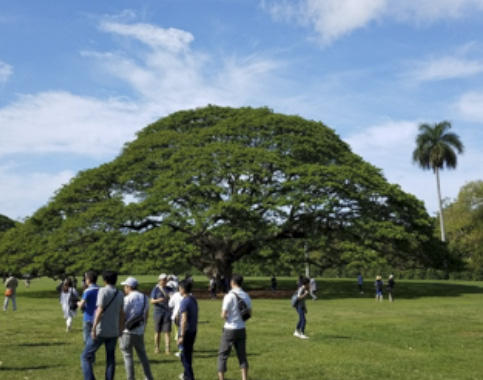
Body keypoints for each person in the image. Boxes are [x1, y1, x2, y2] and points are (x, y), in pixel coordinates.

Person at [81, 270, 124, 380]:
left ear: (104, 280)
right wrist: (120, 329)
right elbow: (121, 313)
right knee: (110, 359)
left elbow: (99, 310)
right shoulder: (120, 293)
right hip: (113, 330)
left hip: (101, 330)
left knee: (85, 357)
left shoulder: (103, 291)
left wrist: (94, 328)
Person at [218, 274, 252, 380]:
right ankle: (244, 378)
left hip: (229, 328)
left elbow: (223, 314)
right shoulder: (246, 295)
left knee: (223, 355)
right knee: (242, 355)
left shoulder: (229, 296)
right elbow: (249, 313)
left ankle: (221, 378)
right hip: (241, 328)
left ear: (232, 283)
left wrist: (228, 317)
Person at [119, 276, 154, 380]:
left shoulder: (127, 299)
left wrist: (119, 329)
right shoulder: (144, 297)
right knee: (142, 355)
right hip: (139, 330)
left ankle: (130, 378)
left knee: (127, 356)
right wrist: (144, 327)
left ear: (129, 287)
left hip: (127, 331)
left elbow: (122, 315)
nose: (124, 288)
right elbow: (146, 314)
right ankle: (148, 377)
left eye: (125, 286)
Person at [177, 279, 198, 380]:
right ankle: (186, 375)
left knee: (185, 357)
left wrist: (181, 335)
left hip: (186, 332)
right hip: (193, 331)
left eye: (179, 288)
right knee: (187, 354)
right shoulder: (193, 299)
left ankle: (189, 377)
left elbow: (184, 319)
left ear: (183, 289)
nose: (178, 290)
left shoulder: (184, 302)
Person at [150, 273, 172, 354]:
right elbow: (151, 301)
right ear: (159, 280)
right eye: (163, 280)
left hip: (167, 312)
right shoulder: (155, 289)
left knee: (167, 332)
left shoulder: (170, 289)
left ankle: (167, 349)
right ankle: (157, 348)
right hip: (158, 312)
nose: (164, 281)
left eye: (165, 280)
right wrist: (158, 300)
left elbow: (173, 298)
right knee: (157, 331)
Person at [78, 271, 100, 344]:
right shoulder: (100, 289)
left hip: (88, 317)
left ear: (88, 280)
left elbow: (81, 304)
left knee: (87, 338)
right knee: (95, 337)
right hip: (98, 316)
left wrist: (77, 303)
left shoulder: (87, 291)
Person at [169, 283, 183, 357]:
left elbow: (170, 304)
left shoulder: (175, 295)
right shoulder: (190, 295)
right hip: (187, 317)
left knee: (178, 335)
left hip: (177, 317)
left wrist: (171, 297)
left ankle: (181, 351)